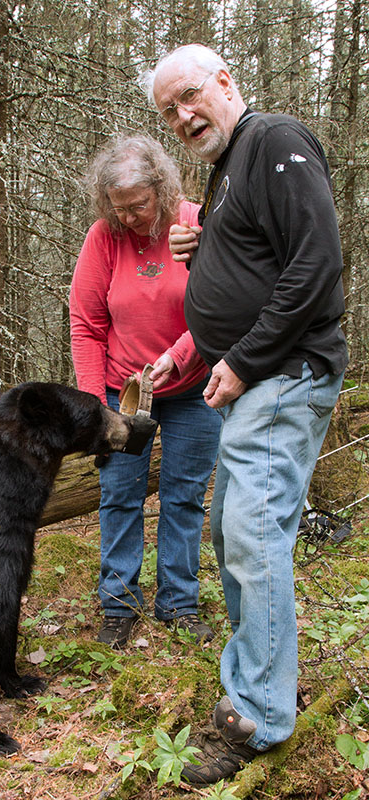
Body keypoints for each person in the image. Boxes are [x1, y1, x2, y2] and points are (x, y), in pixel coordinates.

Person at [143, 44, 348, 784]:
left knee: (253, 537)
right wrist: (191, 345)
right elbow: (254, 283)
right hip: (253, 380)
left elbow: (317, 263)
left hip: (284, 377)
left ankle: (258, 712)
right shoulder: (228, 170)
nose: (183, 116)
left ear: (226, 81)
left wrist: (239, 361)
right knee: (235, 540)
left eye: (191, 95)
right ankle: (263, 679)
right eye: (169, 111)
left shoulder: (275, 140)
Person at [69, 134, 221, 650]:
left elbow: (218, 306)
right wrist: (94, 405)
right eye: (119, 209)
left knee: (183, 497)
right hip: (123, 397)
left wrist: (174, 359)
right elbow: (86, 323)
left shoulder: (194, 223)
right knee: (119, 495)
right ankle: (120, 604)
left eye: (139, 205)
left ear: (162, 187)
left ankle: (178, 602)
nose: (130, 217)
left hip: (193, 389)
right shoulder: (104, 238)